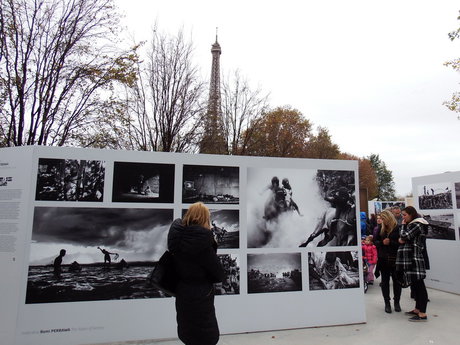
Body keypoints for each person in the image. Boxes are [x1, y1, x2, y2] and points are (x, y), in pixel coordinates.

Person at [168, 202, 225, 345]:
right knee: (205, 336)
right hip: (201, 294)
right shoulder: (203, 242)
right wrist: (213, 246)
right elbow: (218, 274)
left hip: (182, 292)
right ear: (204, 218)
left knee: (187, 332)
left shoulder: (177, 238)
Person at [397, 206, 429, 322]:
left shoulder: (417, 224)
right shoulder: (413, 224)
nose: (403, 218)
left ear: (411, 214)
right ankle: (417, 309)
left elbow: (404, 236)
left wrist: (403, 226)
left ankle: (422, 313)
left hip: (414, 258)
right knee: (415, 285)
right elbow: (403, 238)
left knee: (420, 286)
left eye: (405, 215)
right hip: (410, 258)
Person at [374, 210, 401, 313]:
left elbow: (401, 243)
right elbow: (375, 242)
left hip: (395, 259)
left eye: (383, 219)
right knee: (385, 282)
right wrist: (382, 242)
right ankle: (387, 303)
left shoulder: (397, 228)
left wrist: (391, 242)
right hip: (383, 259)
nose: (381, 221)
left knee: (397, 282)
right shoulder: (380, 228)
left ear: (388, 218)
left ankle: (397, 302)